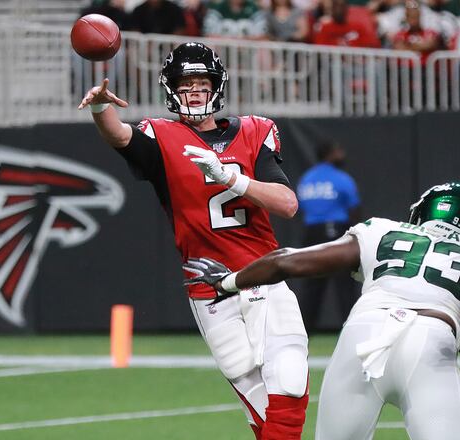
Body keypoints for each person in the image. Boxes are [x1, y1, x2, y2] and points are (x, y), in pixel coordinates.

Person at [76, 42, 308, 439]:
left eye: (202, 82)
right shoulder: (160, 135)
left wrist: (231, 178)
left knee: (288, 382)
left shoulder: (256, 130)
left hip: (263, 274)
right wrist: (100, 107)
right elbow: (118, 135)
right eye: (186, 84)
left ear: (216, 86)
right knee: (257, 402)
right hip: (208, 287)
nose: (195, 90)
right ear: (171, 89)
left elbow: (287, 204)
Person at [184, 182, 460, 440]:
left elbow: (289, 260)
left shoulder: (383, 230)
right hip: (429, 340)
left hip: (362, 335)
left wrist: (229, 281)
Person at [296, 141, 362, 331]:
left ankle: (303, 333)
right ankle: (352, 329)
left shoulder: (307, 178)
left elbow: (300, 207)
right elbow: (354, 208)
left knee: (312, 287)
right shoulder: (341, 178)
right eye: (338, 150)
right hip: (338, 231)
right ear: (329, 154)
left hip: (312, 232)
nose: (342, 153)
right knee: (345, 286)